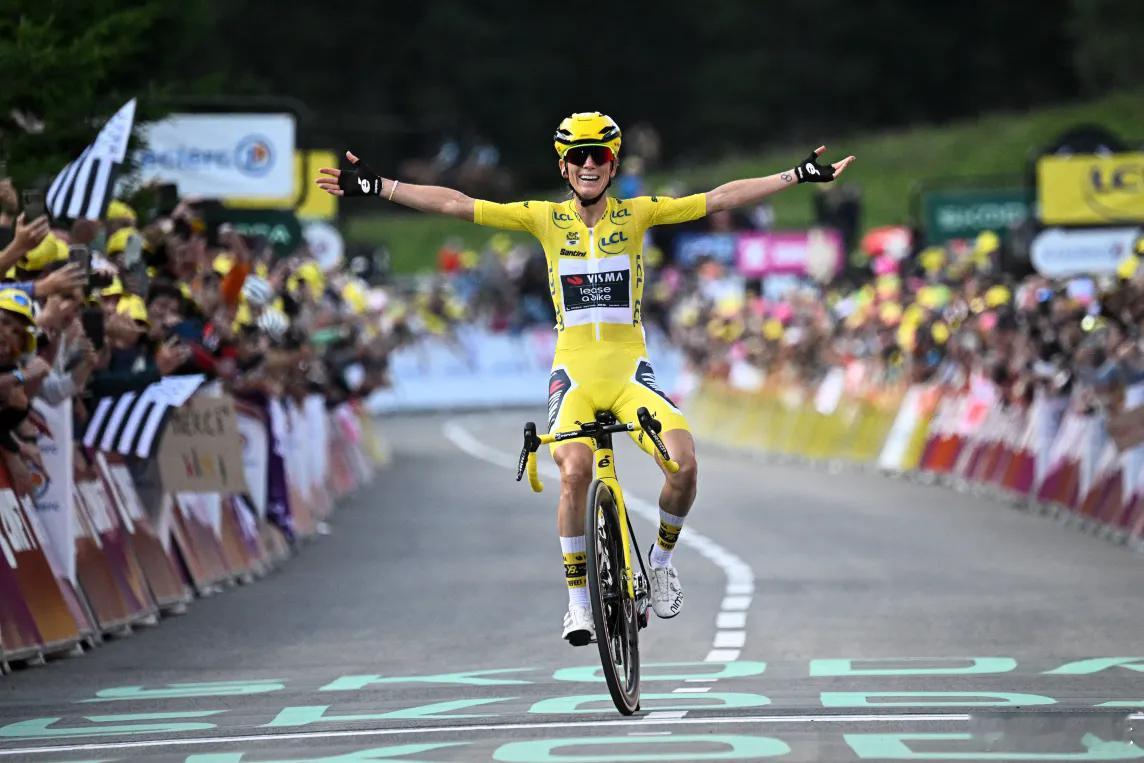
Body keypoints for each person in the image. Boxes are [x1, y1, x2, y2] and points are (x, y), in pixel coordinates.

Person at [316, 112, 854, 645]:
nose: (589, 164)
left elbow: (718, 199)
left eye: (600, 155)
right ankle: (578, 604)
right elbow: (457, 203)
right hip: (572, 372)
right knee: (573, 471)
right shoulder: (544, 219)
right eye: (579, 156)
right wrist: (379, 186)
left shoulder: (639, 213)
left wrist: (795, 175)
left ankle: (660, 565)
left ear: (613, 164)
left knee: (685, 465)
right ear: (564, 165)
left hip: (629, 371)